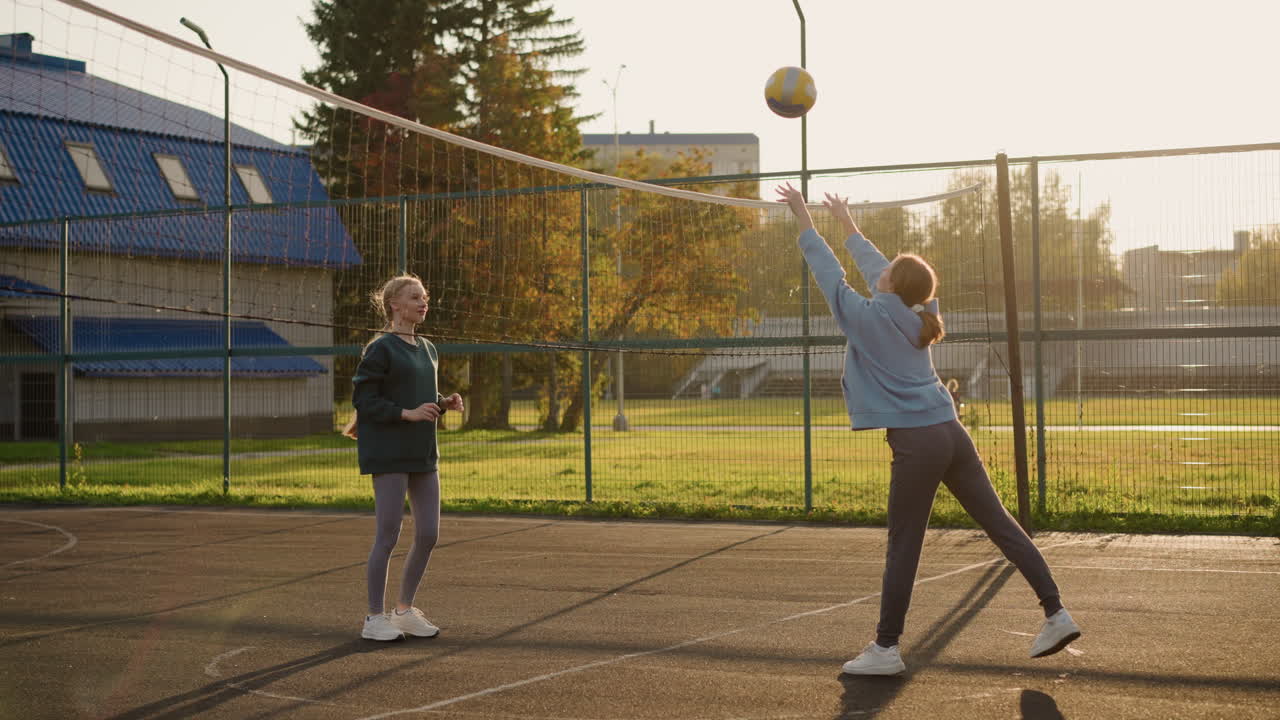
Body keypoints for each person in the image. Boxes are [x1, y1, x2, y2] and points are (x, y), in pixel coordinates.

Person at [775, 183, 1080, 676]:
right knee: (1001, 524)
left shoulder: (869, 317)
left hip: (917, 443)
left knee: (904, 542)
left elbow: (827, 273)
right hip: (951, 431)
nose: (882, 269)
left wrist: (803, 215)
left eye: (889, 270)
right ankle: (1056, 611)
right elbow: (879, 269)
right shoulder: (925, 313)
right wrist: (846, 222)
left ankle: (886, 648)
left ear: (891, 286)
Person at [344, 274, 463, 641]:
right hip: (389, 451)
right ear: (395, 305)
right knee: (388, 535)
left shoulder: (428, 347)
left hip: (422, 452)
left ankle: (404, 610)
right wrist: (406, 414)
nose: (423, 302)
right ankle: (374, 618)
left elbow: (419, 392)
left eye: (424, 296)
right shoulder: (380, 348)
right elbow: (365, 400)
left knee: (428, 533)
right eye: (415, 297)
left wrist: (443, 403)